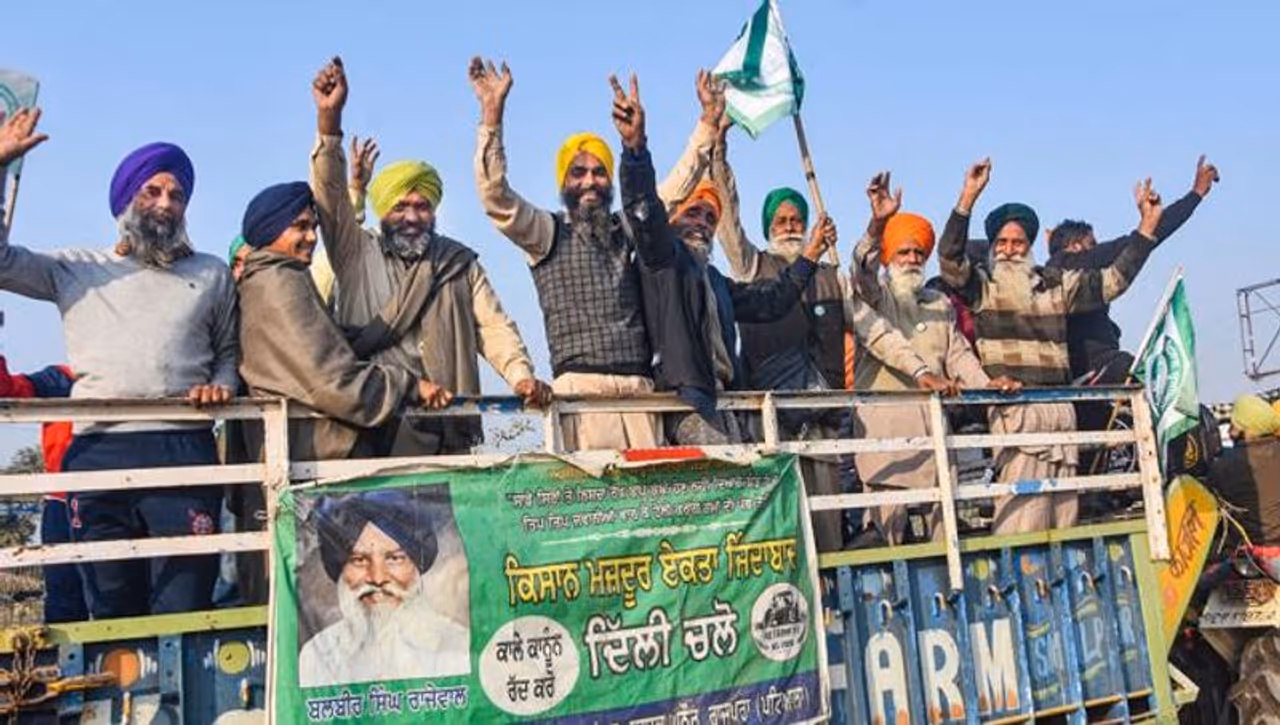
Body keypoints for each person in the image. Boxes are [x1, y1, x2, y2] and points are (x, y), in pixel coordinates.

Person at [0, 108, 237, 618]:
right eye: (152, 191)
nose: (165, 203)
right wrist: (0, 166)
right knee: (111, 614)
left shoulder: (212, 273)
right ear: (126, 200)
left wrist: (221, 384)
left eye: (176, 195)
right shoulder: (76, 268)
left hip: (183, 448)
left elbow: (228, 352)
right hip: (99, 451)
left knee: (185, 608)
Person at [310, 57, 550, 457]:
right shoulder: (356, 253)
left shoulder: (457, 264)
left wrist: (520, 376)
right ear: (382, 211)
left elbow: (493, 327)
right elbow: (330, 198)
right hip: (370, 426)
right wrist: (328, 122)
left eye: (422, 206)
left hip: (445, 425)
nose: (412, 217)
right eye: (400, 207)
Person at [937, 159, 1164, 534]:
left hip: (1059, 408)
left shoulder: (1055, 284)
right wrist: (968, 198)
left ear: (1029, 247)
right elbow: (948, 258)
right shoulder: (983, 286)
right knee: (1022, 516)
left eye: (1018, 242)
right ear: (993, 248)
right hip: (1013, 408)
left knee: (1063, 515)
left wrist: (1147, 229)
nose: (1009, 250)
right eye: (1002, 243)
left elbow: (1113, 282)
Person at [471, 56, 659, 452]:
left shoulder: (626, 228)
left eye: (599, 172)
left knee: (652, 490)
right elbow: (495, 198)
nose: (590, 181)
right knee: (586, 492)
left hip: (640, 392)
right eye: (579, 172)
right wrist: (492, 117)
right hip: (579, 394)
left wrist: (636, 145)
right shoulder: (547, 231)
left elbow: (670, 196)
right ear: (564, 182)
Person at [849, 172, 1020, 544]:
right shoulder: (874, 297)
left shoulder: (939, 303)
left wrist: (987, 384)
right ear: (888, 257)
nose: (912, 259)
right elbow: (861, 269)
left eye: (918, 253)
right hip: (886, 439)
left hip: (935, 437)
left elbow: (959, 356)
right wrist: (878, 224)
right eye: (903, 252)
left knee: (947, 539)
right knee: (888, 541)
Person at [235, 182, 449, 461]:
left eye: (314, 227)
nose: (312, 237)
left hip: (296, 446)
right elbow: (331, 378)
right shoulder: (281, 282)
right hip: (321, 452)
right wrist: (408, 384)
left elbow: (315, 344)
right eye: (300, 227)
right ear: (270, 231)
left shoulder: (264, 279)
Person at [1046, 156, 1219, 383]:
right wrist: (1194, 195)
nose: (1098, 249)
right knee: (1150, 378)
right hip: (1094, 369)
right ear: (1076, 246)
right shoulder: (1077, 262)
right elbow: (1141, 242)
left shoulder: (1049, 274)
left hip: (1075, 371)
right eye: (1093, 244)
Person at [299, 488, 469, 687]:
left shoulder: (456, 645)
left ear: (416, 565)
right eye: (359, 560)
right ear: (341, 569)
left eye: (394, 559)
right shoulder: (317, 656)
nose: (378, 578)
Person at [0, 357, 84, 622]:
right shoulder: (63, 378)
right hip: (63, 501)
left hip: (124, 496)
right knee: (64, 595)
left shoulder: (148, 381)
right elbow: (8, 389)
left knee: (127, 593)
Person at [1205, 395, 1280, 546]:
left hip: (1253, 549)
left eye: (1233, 424)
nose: (1230, 430)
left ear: (1245, 427)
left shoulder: (1224, 465)